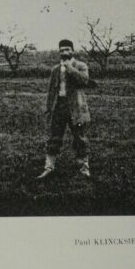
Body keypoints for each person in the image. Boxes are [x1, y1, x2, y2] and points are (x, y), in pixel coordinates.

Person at [37, 39, 91, 180]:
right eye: (62, 50)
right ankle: (49, 167)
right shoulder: (55, 70)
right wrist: (49, 109)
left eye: (67, 49)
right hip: (58, 107)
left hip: (76, 107)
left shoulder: (81, 65)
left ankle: (84, 167)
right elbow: (51, 91)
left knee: (80, 138)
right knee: (54, 138)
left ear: (72, 50)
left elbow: (84, 81)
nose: (64, 52)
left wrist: (69, 68)